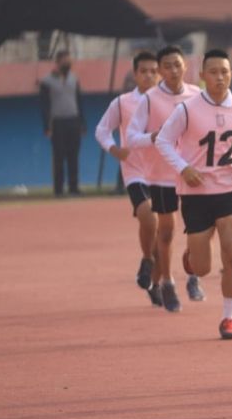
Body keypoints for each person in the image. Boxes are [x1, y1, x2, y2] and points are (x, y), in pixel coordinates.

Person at [155, 49, 232, 340]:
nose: (220, 77)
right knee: (202, 266)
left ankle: (229, 318)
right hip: (196, 193)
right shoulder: (187, 109)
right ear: (202, 75)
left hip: (230, 188)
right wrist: (183, 168)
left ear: (231, 74)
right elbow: (163, 141)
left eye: (225, 71)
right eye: (213, 72)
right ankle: (192, 256)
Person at [127, 45, 206, 311]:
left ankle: (193, 275)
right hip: (162, 176)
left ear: (186, 67)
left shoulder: (197, 95)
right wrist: (155, 136)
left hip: (193, 173)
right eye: (167, 66)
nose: (173, 71)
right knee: (168, 230)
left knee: (200, 229)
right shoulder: (149, 99)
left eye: (177, 65)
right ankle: (168, 282)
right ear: (160, 71)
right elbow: (131, 138)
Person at [94, 51, 161, 302]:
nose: (149, 76)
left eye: (154, 71)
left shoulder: (167, 103)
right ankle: (147, 259)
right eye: (144, 71)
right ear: (135, 74)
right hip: (134, 171)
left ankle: (156, 281)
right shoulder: (122, 103)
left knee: (161, 230)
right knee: (149, 218)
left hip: (163, 173)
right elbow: (102, 129)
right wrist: (113, 148)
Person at [39, 51, 86, 197]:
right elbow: (44, 105)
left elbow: (79, 101)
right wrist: (47, 126)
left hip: (73, 120)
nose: (68, 63)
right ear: (58, 62)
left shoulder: (74, 79)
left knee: (74, 156)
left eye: (69, 60)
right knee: (58, 156)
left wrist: (82, 123)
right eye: (65, 60)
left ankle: (74, 187)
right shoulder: (46, 81)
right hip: (57, 122)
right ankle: (58, 190)